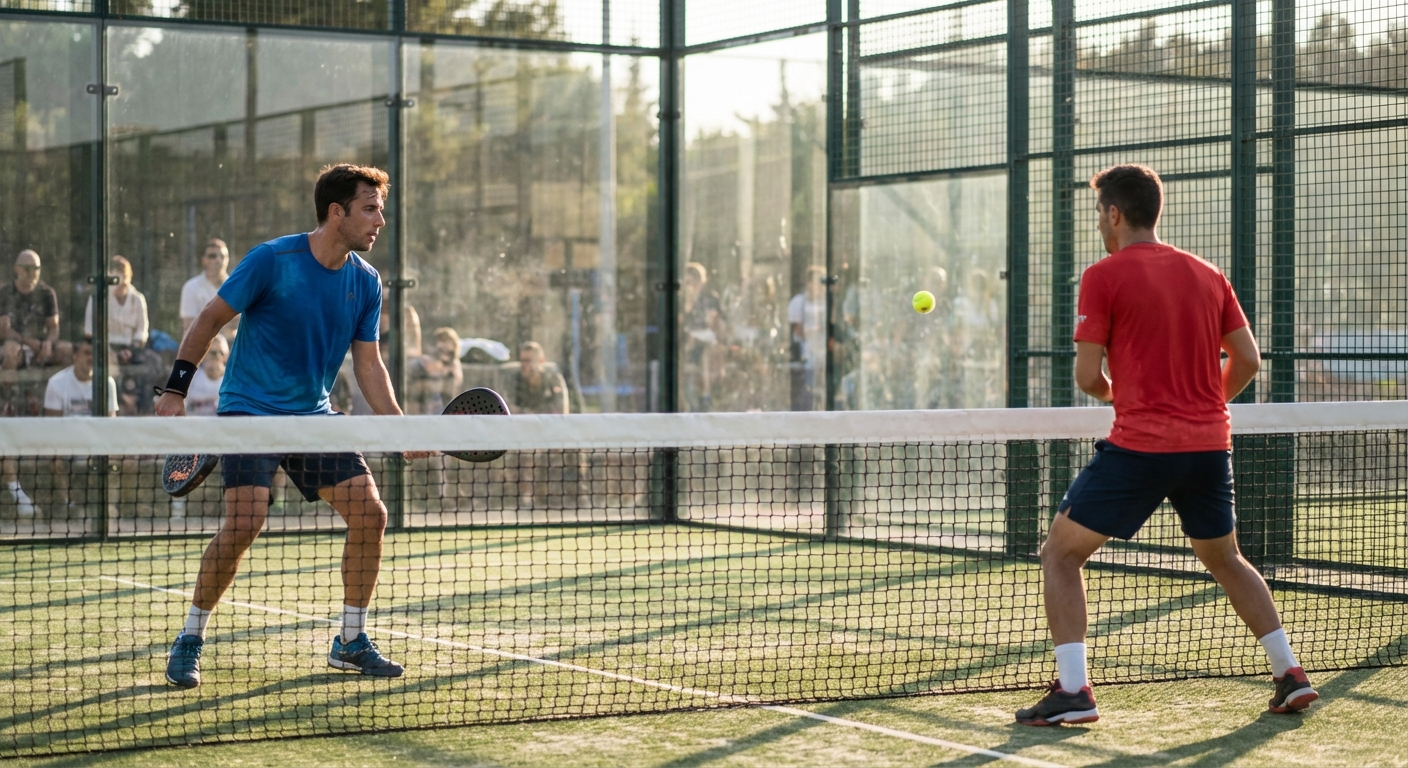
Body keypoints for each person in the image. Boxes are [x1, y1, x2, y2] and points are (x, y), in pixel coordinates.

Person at [1016, 164, 1316, 726]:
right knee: (1227, 560)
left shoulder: (1103, 275)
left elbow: (1086, 377)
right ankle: (1289, 674)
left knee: (1060, 554)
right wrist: (1202, 408)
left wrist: (1117, 396)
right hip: (1209, 448)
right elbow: (1247, 361)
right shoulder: (1207, 273)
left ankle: (1075, 693)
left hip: (1143, 448)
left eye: (1098, 213)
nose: (1098, 224)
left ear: (1113, 213)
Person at [154, 163, 425, 688]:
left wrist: (401, 427)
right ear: (336, 212)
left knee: (371, 515)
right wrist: (174, 391)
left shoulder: (366, 283)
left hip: (313, 416)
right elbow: (209, 320)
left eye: (381, 209)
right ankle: (190, 636)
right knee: (245, 522)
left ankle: (349, 640)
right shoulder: (272, 260)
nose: (379, 221)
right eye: (370, 209)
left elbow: (367, 364)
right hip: (249, 410)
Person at [41, 341, 119, 515]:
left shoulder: (107, 383)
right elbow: (51, 428)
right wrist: (58, 454)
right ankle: (68, 507)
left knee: (121, 459)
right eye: (86, 352)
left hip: (96, 445)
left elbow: (111, 425)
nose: (90, 358)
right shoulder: (56, 383)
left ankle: (106, 506)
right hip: (67, 445)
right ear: (75, 355)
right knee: (54, 458)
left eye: (94, 353)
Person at [84, 255, 157, 414]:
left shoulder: (138, 299)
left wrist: (130, 350)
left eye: (122, 273)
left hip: (133, 348)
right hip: (105, 347)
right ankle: (113, 407)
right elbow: (89, 331)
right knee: (107, 366)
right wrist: (110, 351)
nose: (119, 278)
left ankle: (146, 409)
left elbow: (142, 333)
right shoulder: (97, 297)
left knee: (153, 364)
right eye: (114, 273)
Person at [0, 249, 70, 371]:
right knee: (11, 351)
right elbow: (4, 332)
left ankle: (60, 389)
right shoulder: (5, 293)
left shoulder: (47, 293)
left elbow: (53, 327)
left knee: (66, 351)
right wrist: (29, 342)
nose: (32, 273)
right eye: (27, 268)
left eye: (36, 268)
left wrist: (48, 343)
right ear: (17, 269)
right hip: (14, 343)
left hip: (41, 345)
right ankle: (7, 389)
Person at [180, 238, 238, 339]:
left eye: (223, 256)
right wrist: (225, 325)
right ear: (204, 260)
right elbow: (190, 326)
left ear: (228, 259)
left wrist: (209, 323)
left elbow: (240, 323)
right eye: (213, 256)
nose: (218, 260)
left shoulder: (237, 287)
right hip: (200, 346)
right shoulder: (191, 287)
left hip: (232, 347)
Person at [407, 326, 463, 415]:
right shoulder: (429, 360)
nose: (441, 344)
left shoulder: (454, 365)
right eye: (440, 341)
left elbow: (455, 384)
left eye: (445, 341)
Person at [514, 341, 567, 415]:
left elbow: (561, 408)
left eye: (528, 360)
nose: (523, 365)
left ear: (541, 361)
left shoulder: (552, 379)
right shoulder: (516, 380)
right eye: (522, 360)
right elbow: (508, 408)